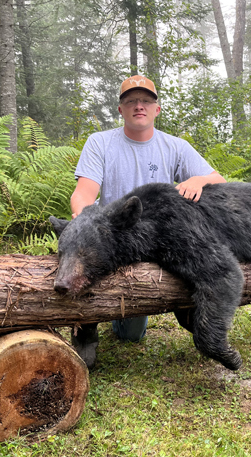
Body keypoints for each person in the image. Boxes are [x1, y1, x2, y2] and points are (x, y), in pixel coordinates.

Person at [69, 75, 226, 368]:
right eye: (130, 101)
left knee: (134, 333)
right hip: (116, 244)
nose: (138, 106)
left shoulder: (175, 147)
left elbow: (218, 180)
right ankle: (85, 326)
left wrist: (198, 180)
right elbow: (84, 193)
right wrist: (83, 218)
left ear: (157, 109)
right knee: (86, 268)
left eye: (145, 101)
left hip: (159, 243)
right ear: (120, 109)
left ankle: (188, 311)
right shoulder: (100, 143)